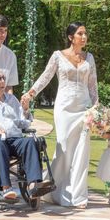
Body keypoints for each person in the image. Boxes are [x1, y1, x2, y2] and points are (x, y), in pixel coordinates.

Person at [21, 22, 98, 208]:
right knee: (63, 147)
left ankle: (77, 196)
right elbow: (46, 76)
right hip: (64, 108)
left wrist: (96, 108)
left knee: (82, 150)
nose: (84, 37)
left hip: (84, 108)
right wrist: (30, 93)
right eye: (80, 33)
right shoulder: (58, 56)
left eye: (85, 33)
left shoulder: (90, 58)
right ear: (71, 37)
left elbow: (93, 86)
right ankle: (52, 188)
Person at [0, 68, 53, 200]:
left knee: (31, 141)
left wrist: (25, 110)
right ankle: (5, 188)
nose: (3, 81)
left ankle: (33, 185)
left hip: (14, 138)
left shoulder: (11, 99)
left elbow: (24, 124)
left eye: (3, 78)